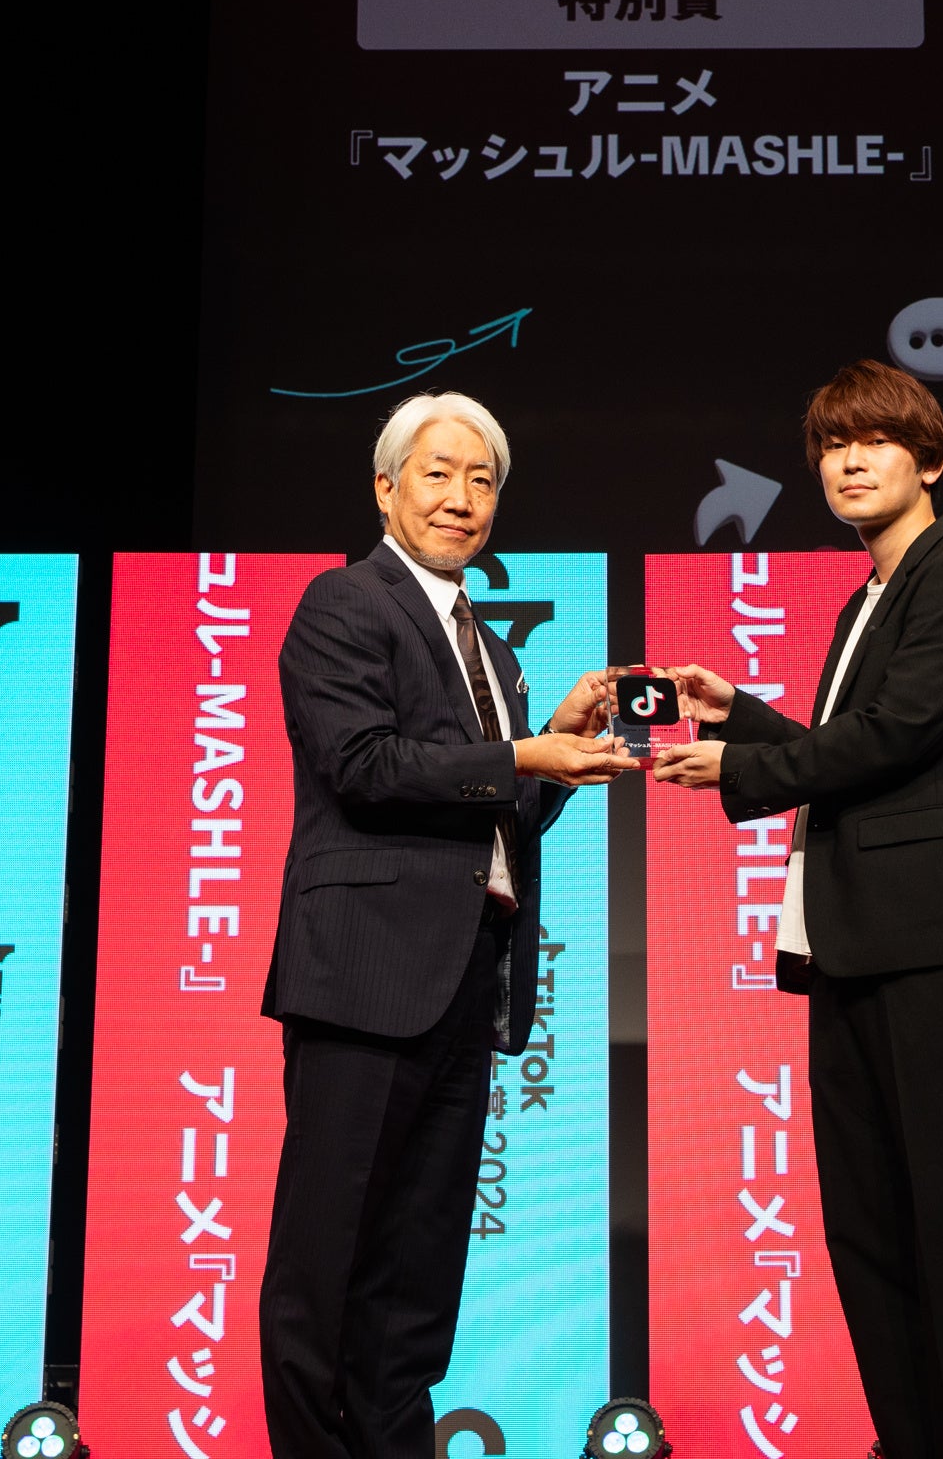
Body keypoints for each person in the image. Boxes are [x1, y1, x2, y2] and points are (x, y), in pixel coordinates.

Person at [651, 359, 943, 1459]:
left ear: (931, 459)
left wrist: (738, 768)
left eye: (874, 440)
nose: (849, 462)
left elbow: (896, 736)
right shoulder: (869, 594)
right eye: (831, 445)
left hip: (935, 947)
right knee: (869, 1233)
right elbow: (854, 749)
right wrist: (744, 713)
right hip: (853, 949)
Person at [259, 392, 631, 1459]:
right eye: (438, 473)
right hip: (364, 978)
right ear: (386, 489)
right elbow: (363, 766)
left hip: (466, 982)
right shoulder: (344, 602)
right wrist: (520, 754)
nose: (461, 497)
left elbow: (493, 820)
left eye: (482, 480)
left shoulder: (493, 652)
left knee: (417, 1277)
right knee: (328, 1263)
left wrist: (551, 745)